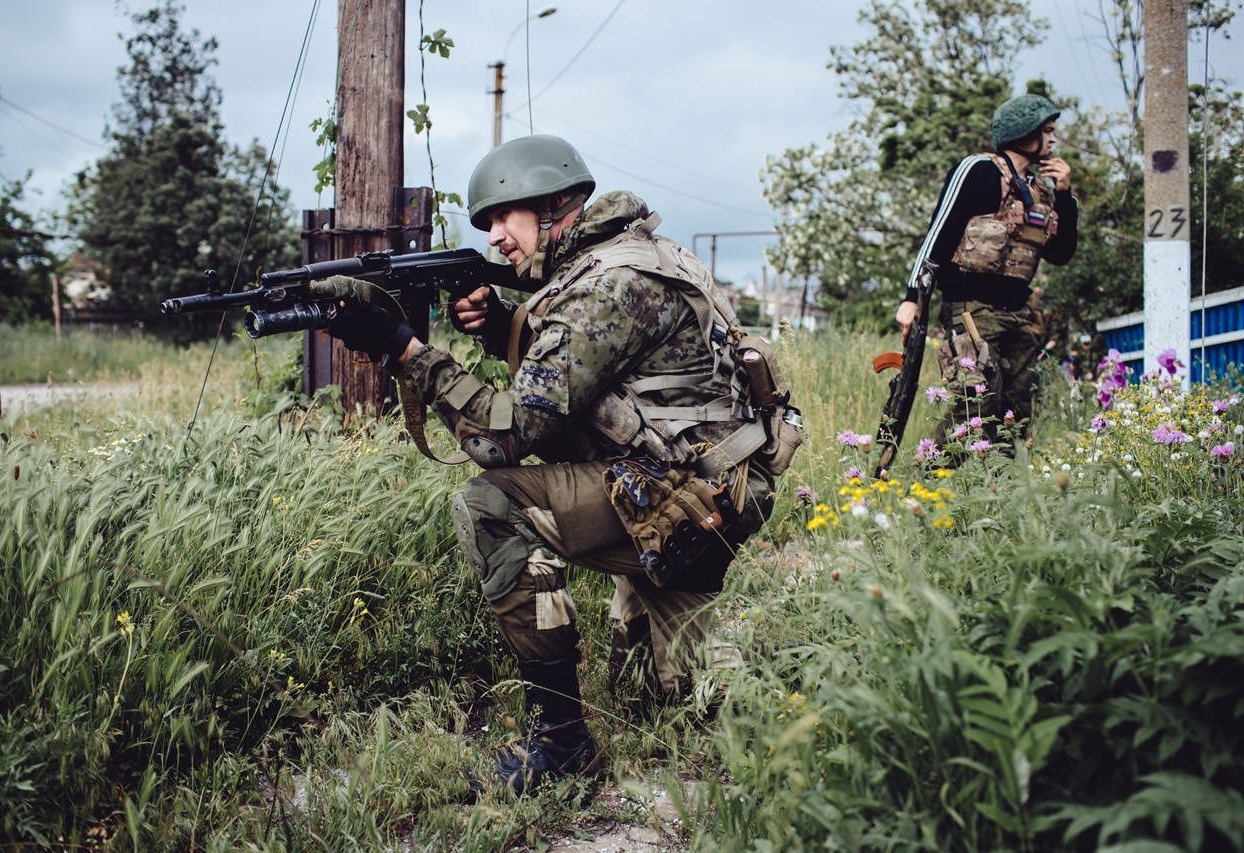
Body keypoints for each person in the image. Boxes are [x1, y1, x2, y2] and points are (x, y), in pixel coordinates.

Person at [321, 134, 790, 795]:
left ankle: (562, 745)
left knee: (490, 504)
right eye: (485, 224)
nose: (494, 240)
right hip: (712, 480)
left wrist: (406, 351)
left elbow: (505, 436)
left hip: (690, 496)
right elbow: (597, 371)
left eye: (502, 217)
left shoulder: (607, 287)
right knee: (666, 699)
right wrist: (498, 325)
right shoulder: (634, 254)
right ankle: (711, 660)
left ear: (554, 206)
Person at [894, 93, 1079, 449]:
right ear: (1024, 132)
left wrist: (1065, 195)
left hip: (1019, 315)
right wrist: (913, 297)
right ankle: (933, 477)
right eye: (1047, 131)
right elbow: (939, 233)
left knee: (1016, 412)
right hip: (972, 310)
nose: (1053, 139)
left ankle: (1000, 482)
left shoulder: (1040, 192)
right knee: (976, 402)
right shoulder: (978, 170)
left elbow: (1061, 254)